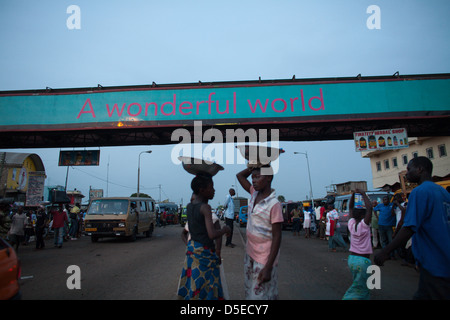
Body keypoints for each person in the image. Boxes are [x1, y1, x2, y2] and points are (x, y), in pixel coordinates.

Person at [375, 157, 450, 299]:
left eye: (409, 169)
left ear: (420, 169)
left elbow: (409, 227)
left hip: (434, 263)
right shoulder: (443, 192)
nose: (406, 173)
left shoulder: (419, 192)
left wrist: (386, 251)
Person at [178, 174, 231, 300]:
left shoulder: (190, 206)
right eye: (211, 187)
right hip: (205, 253)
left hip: (193, 252)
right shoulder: (205, 208)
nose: (214, 190)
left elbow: (188, 231)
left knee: (194, 286)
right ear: (202, 190)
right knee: (207, 287)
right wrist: (225, 229)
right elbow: (212, 234)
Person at [237, 165, 283, 300]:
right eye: (252, 178)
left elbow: (277, 236)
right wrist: (253, 166)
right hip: (250, 253)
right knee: (250, 290)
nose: (253, 181)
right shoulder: (254, 193)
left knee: (261, 295)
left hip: (264, 259)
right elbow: (239, 176)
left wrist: (268, 267)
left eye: (258, 177)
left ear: (268, 178)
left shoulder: (274, 204)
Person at [342, 190, 373, 300]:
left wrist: (353, 196)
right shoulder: (364, 225)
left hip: (352, 259)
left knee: (360, 284)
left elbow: (350, 208)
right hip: (363, 261)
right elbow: (369, 208)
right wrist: (363, 194)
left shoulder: (351, 223)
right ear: (363, 215)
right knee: (362, 287)